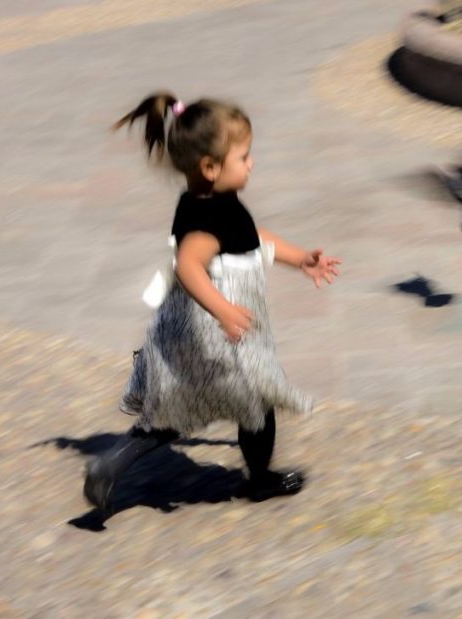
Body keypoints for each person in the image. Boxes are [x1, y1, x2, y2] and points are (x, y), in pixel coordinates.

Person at [84, 91, 340, 514]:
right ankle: (258, 480)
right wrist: (222, 310)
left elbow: (254, 239)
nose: (251, 163)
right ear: (210, 167)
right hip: (213, 330)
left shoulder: (210, 203)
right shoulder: (205, 221)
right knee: (256, 402)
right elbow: (188, 265)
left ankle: (111, 463)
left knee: (179, 409)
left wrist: (300, 259)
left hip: (196, 327)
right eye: (244, 157)